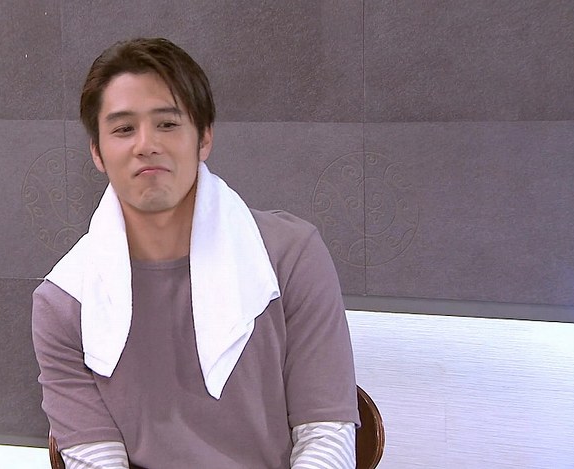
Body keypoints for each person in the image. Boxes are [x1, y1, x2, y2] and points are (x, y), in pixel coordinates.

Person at [32, 37, 359, 468]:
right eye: (123, 129)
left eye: (167, 124)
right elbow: (95, 460)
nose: (146, 144)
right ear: (97, 152)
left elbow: (327, 438)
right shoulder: (63, 301)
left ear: (204, 138)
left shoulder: (290, 256)